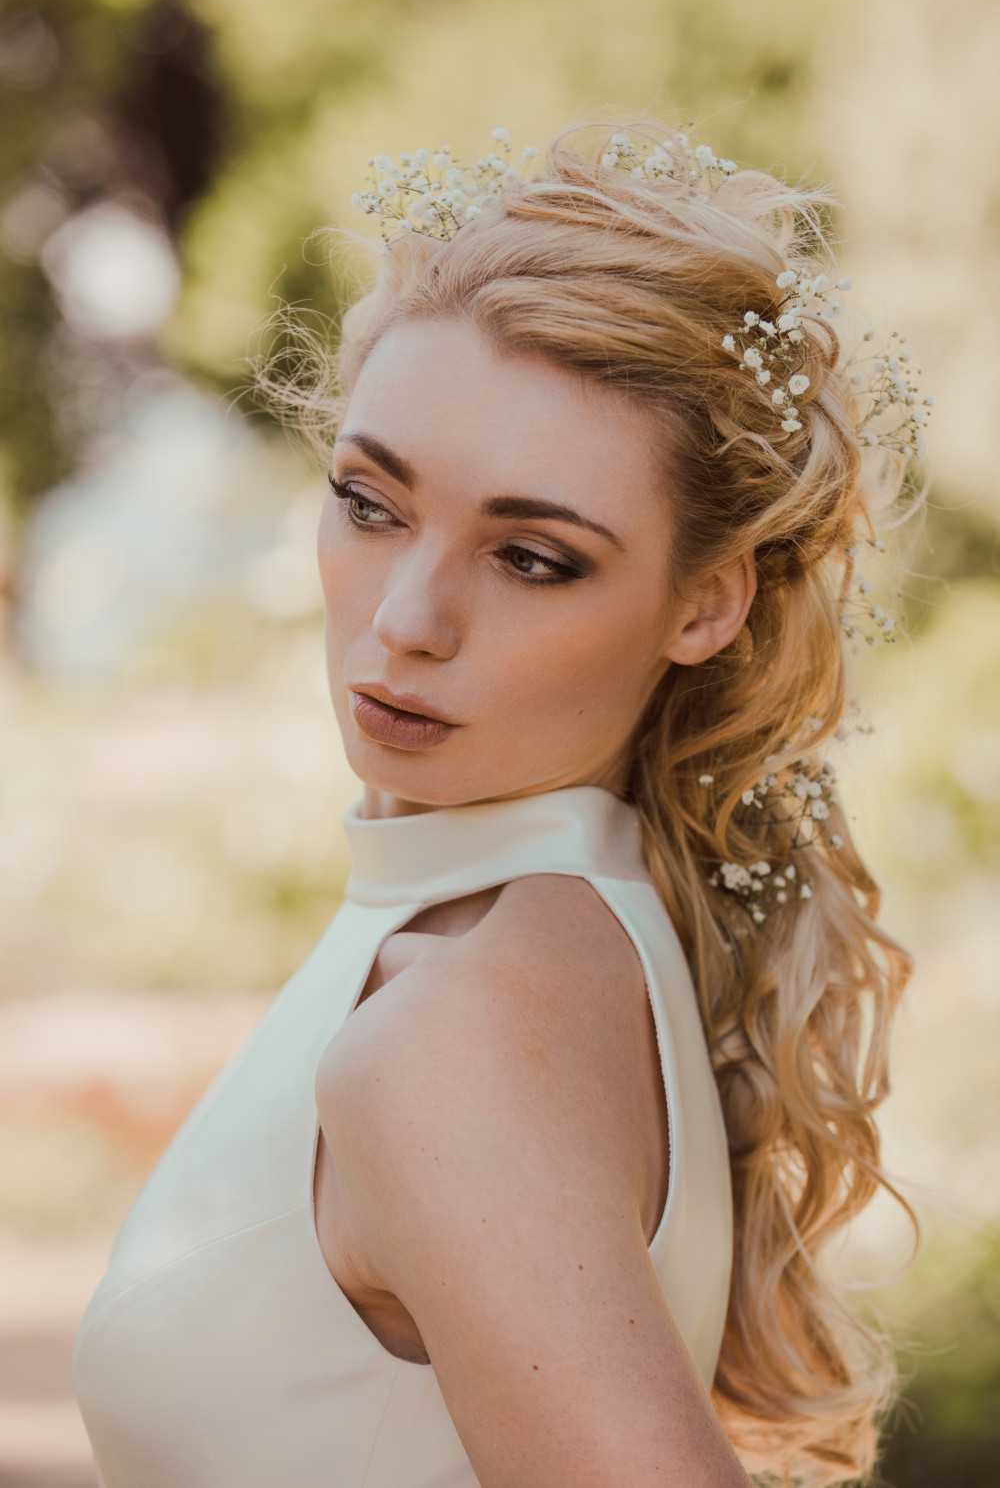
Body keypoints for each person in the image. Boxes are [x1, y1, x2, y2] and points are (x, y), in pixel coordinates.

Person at [73, 117, 924, 1487]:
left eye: (531, 559)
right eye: (369, 501)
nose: (405, 622)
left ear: (705, 603)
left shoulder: (457, 1029)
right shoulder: (547, 937)